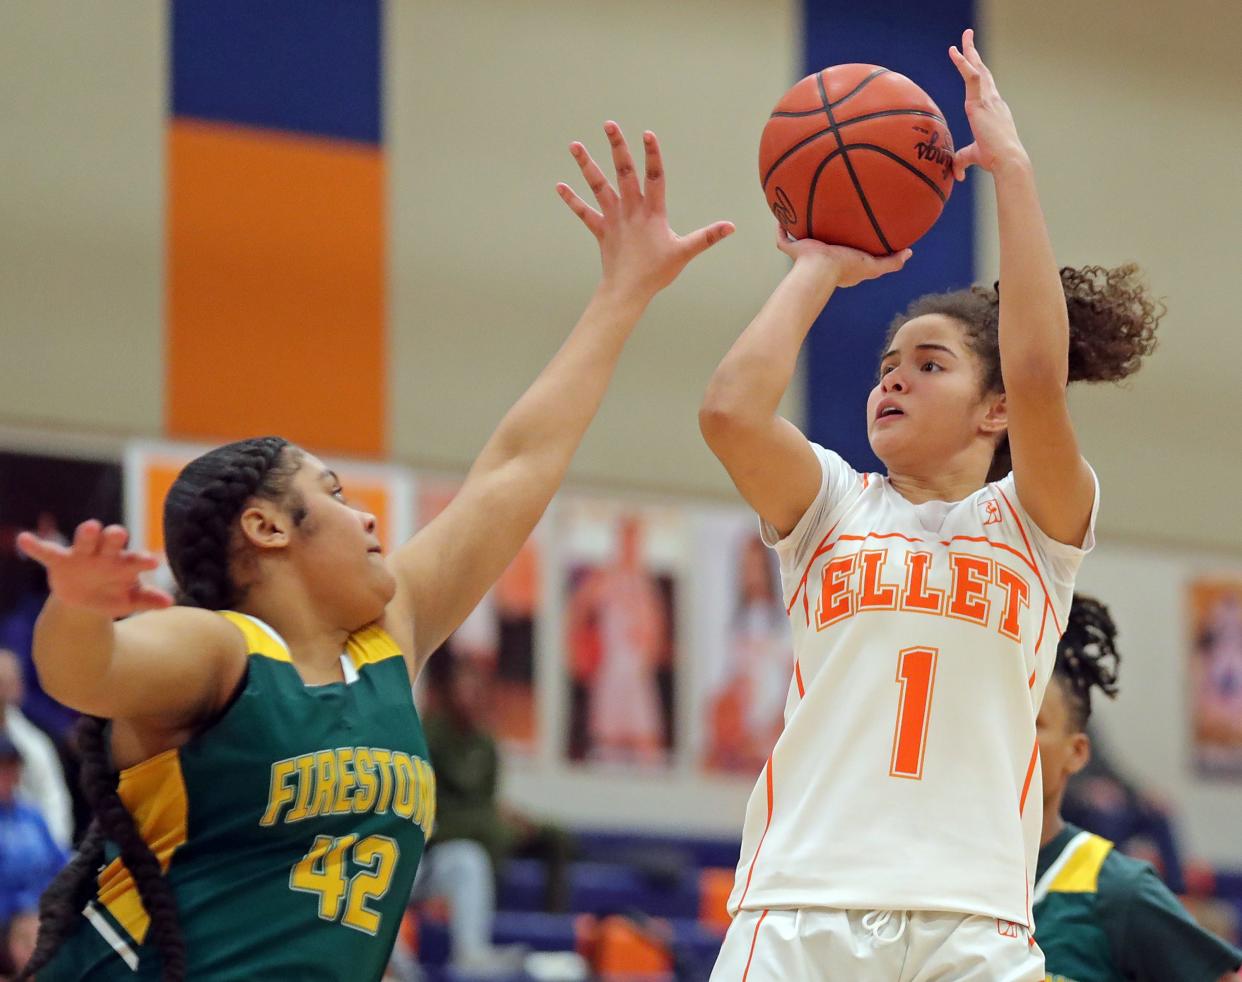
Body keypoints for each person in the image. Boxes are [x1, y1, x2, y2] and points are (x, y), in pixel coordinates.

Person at [13, 124, 733, 981]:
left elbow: (517, 465)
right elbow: (81, 673)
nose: (364, 518)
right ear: (268, 529)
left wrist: (625, 293)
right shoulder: (220, 650)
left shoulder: (388, 636)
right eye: (334, 493)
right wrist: (76, 608)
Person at [700, 30, 1160, 980]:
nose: (892, 382)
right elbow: (729, 412)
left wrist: (1013, 171)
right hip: (799, 902)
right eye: (885, 368)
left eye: (929, 364)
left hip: (976, 922)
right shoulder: (831, 506)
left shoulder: (1037, 529)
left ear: (996, 410)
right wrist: (818, 266)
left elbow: (1039, 370)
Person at [1035, 595, 1242, 981]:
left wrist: (1136, 792)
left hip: (1088, 813)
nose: (1010, 736)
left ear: (1076, 751)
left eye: (1034, 722)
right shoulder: (939, 874)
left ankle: (1181, 890)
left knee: (1141, 809)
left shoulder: (1116, 891)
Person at [566, 517, 669, 763]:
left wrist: (648, 647)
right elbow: (577, 610)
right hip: (611, 671)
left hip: (637, 674)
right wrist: (577, 651)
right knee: (607, 744)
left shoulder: (644, 583)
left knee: (647, 746)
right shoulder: (607, 578)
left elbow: (656, 631)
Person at [0, 734, 66, 978]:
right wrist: (21, 912)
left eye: (12, 768)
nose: (8, 776)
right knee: (28, 938)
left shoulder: (32, 816)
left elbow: (61, 864)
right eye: (2, 769)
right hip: (7, 919)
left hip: (41, 912)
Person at [0, 649, 73, 849]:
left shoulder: (34, 744)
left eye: (7, 684)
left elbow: (53, 799)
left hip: (30, 845)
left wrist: (53, 846)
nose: (3, 692)